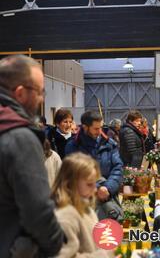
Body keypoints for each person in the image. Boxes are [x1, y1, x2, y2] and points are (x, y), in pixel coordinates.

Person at [0, 55, 64, 258]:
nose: (42, 98)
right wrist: (55, 243)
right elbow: (38, 211)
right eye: (39, 91)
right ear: (20, 93)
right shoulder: (20, 137)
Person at [52, 153, 115, 258]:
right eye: (89, 184)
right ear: (69, 184)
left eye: (95, 184)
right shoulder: (65, 217)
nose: (95, 189)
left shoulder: (86, 209)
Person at [65, 110, 123, 201]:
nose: (100, 131)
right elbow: (73, 173)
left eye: (101, 127)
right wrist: (95, 188)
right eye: (96, 129)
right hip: (82, 200)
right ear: (85, 127)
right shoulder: (73, 146)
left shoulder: (109, 144)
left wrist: (108, 188)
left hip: (107, 197)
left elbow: (118, 168)